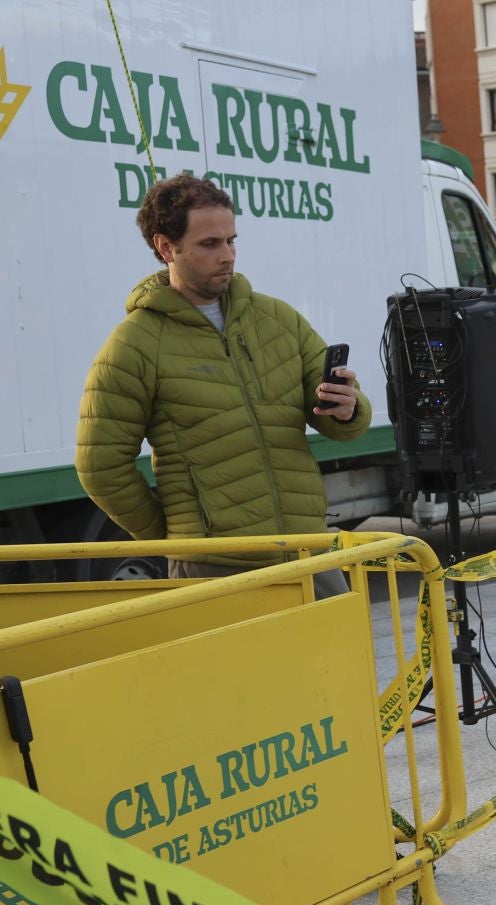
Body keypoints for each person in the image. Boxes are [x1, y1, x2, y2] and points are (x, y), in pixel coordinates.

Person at [77, 173, 369, 592]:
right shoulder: (134, 345)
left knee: (342, 660)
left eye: (231, 240)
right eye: (210, 244)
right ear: (166, 247)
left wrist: (348, 408)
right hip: (217, 570)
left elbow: (339, 419)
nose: (227, 255)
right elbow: (99, 466)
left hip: (310, 553)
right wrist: (177, 537)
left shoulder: (278, 319)